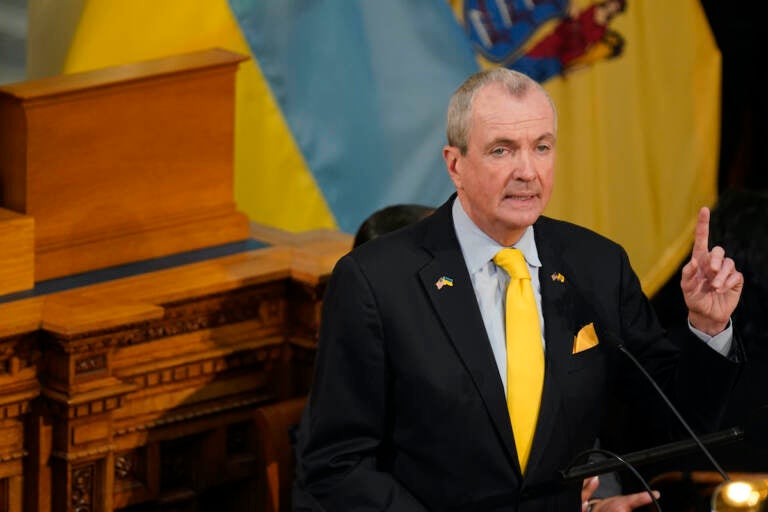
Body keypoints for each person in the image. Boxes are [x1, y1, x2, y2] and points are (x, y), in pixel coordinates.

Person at [293, 68, 743, 511]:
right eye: (502, 151)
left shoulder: (597, 266)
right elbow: (336, 461)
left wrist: (708, 326)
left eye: (541, 148)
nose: (527, 171)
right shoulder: (376, 281)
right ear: (455, 164)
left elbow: (672, 425)